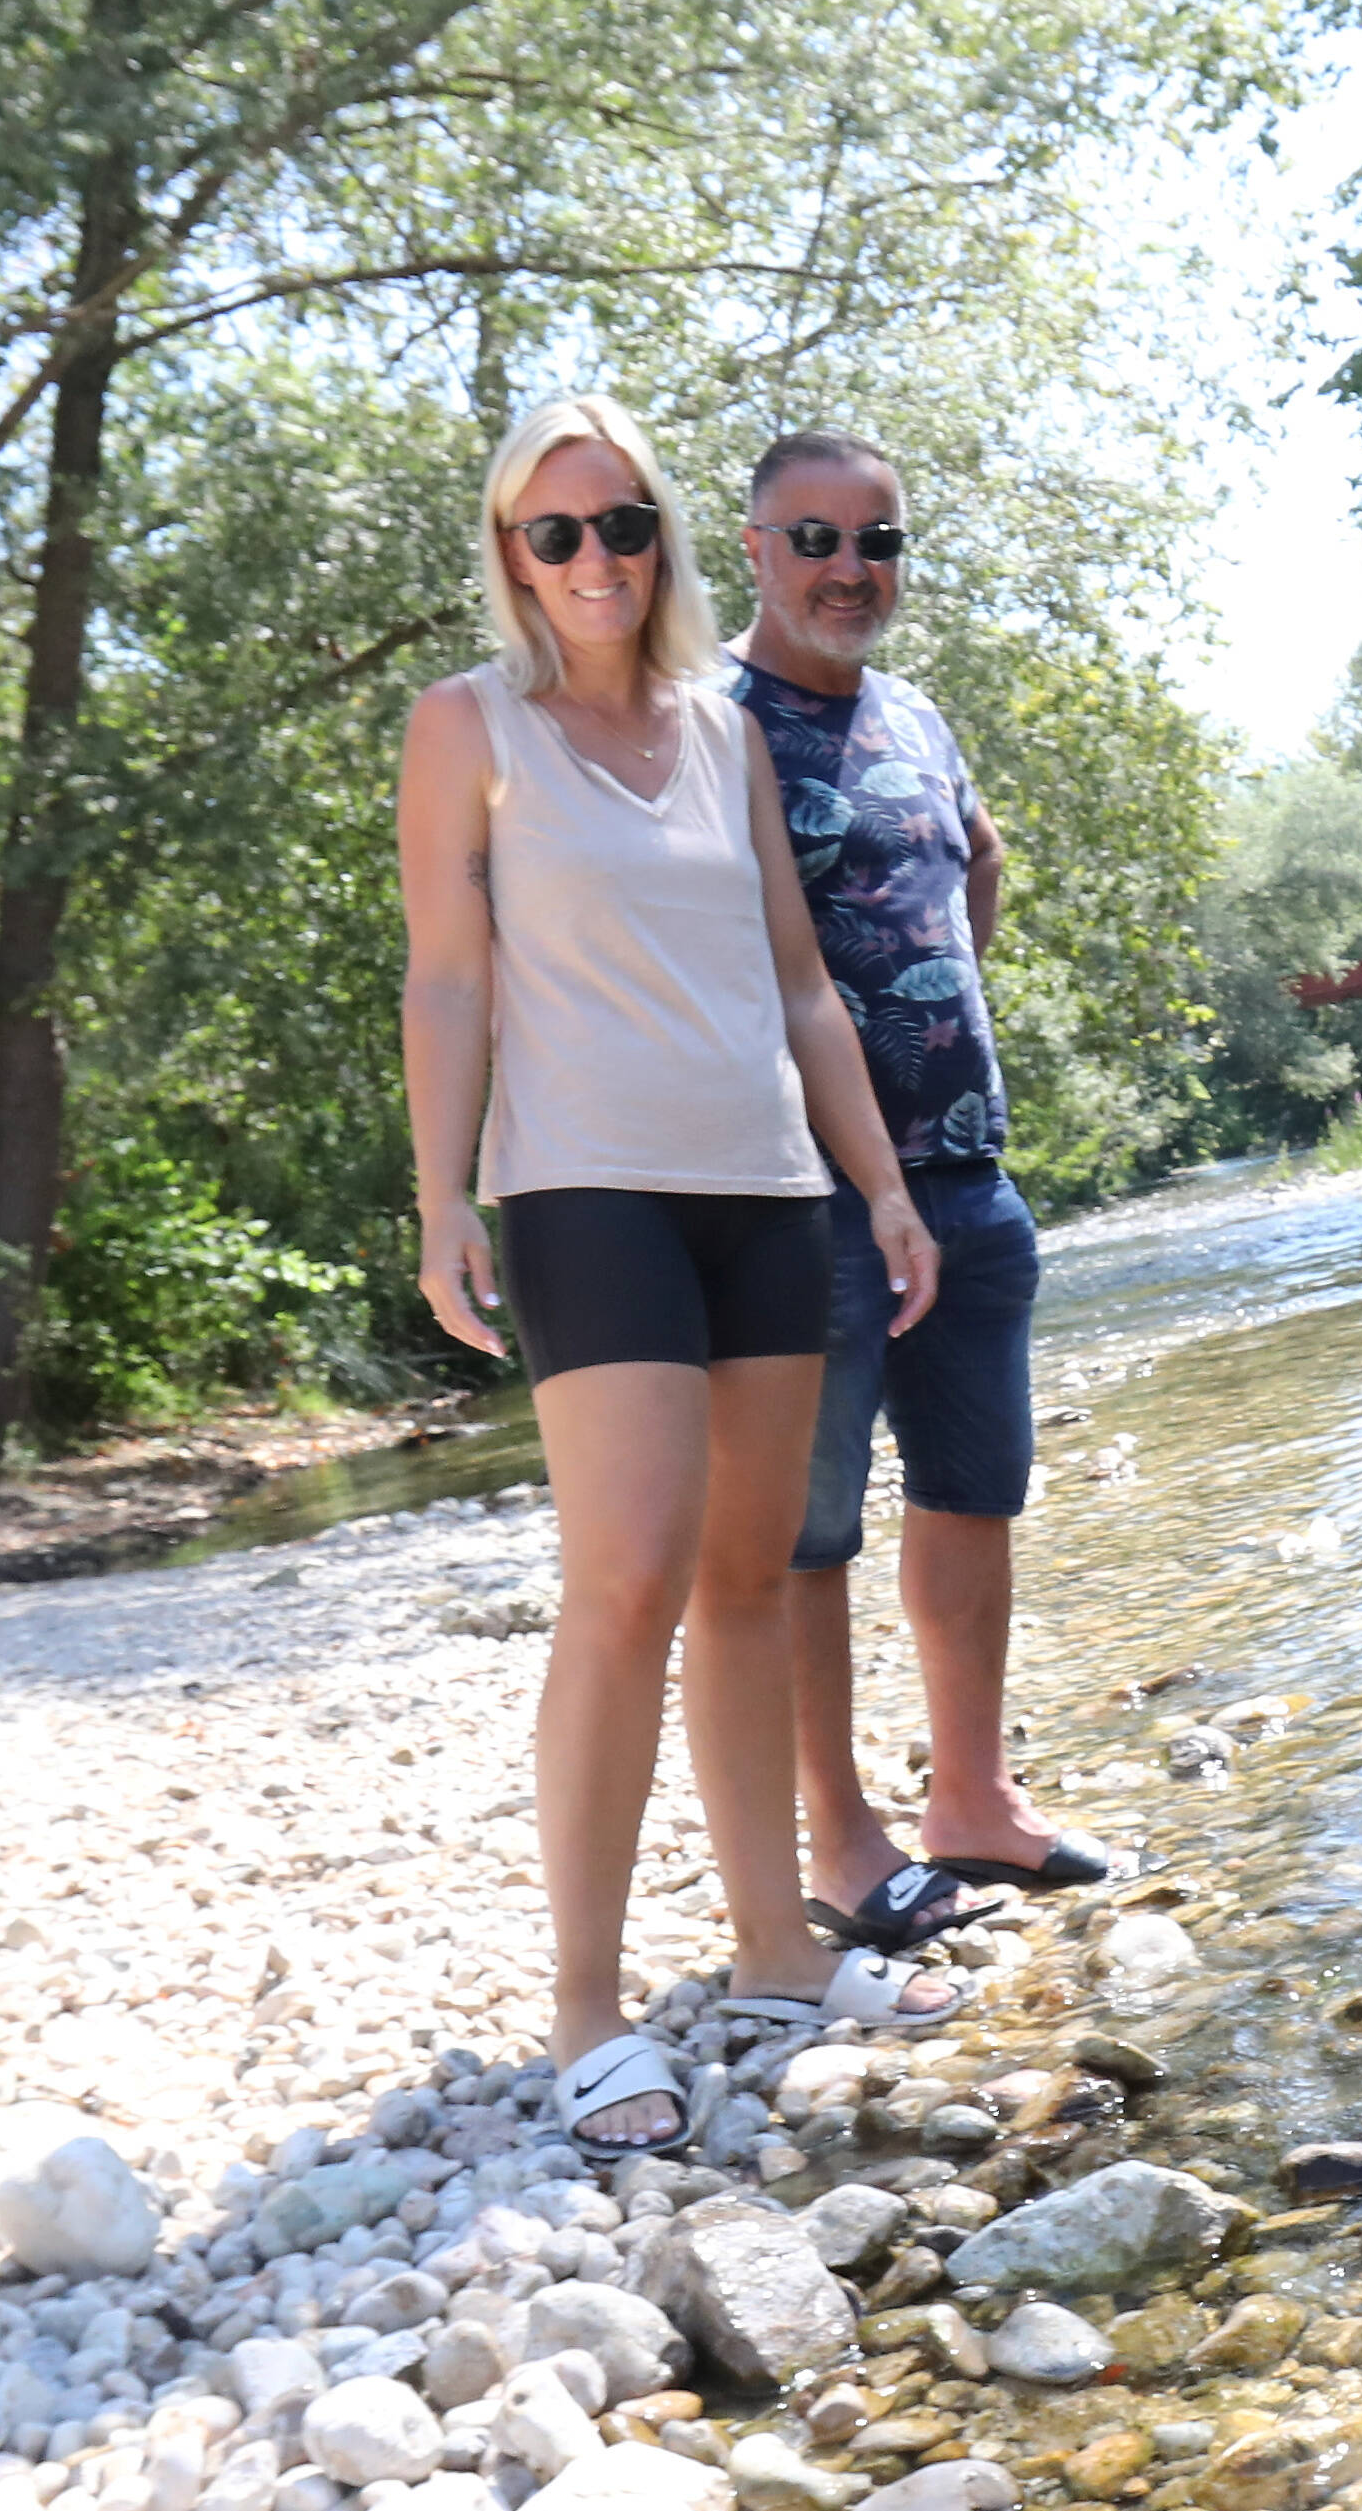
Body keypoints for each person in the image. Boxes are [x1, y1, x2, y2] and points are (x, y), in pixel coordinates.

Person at [398, 392, 972, 2165]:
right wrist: (442, 1200)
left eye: (622, 524)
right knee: (627, 1577)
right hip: (585, 1193)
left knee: (749, 1574)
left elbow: (801, 986)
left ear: (665, 540)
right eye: (554, 533)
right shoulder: (466, 726)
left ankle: (776, 1947)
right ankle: (585, 2007)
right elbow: (448, 982)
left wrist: (880, 1184)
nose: (594, 560)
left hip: (765, 1188)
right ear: (512, 553)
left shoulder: (727, 732)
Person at [727, 427, 1117, 1959]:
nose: (848, 569)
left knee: (974, 1490)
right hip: (795, 1194)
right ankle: (843, 1837)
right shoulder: (713, 729)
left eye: (876, 542)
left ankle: (973, 1797)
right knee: (809, 1528)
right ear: (754, 551)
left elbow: (970, 876)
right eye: (814, 539)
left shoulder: (919, 719)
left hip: (967, 1176)